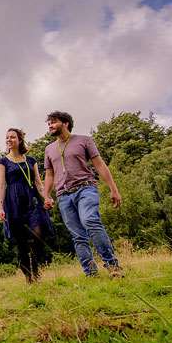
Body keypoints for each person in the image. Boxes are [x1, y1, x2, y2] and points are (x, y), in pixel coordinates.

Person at [41, 111, 124, 278]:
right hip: (63, 195)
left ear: (65, 123)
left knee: (90, 221)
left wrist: (113, 189)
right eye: (48, 123)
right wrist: (46, 196)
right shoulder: (49, 149)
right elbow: (49, 175)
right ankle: (91, 274)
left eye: (53, 122)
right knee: (78, 236)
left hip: (85, 189)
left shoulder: (84, 140)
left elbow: (99, 165)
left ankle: (113, 266)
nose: (50, 125)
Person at [0, 128, 54, 283]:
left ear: (19, 140)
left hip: (32, 201)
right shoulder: (2, 162)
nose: (9, 140)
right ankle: (28, 276)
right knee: (21, 242)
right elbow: (1, 186)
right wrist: (0, 208)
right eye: (7, 137)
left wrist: (47, 197)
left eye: (12, 137)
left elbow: (38, 183)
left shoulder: (31, 160)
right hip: (13, 203)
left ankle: (35, 270)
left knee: (37, 234)